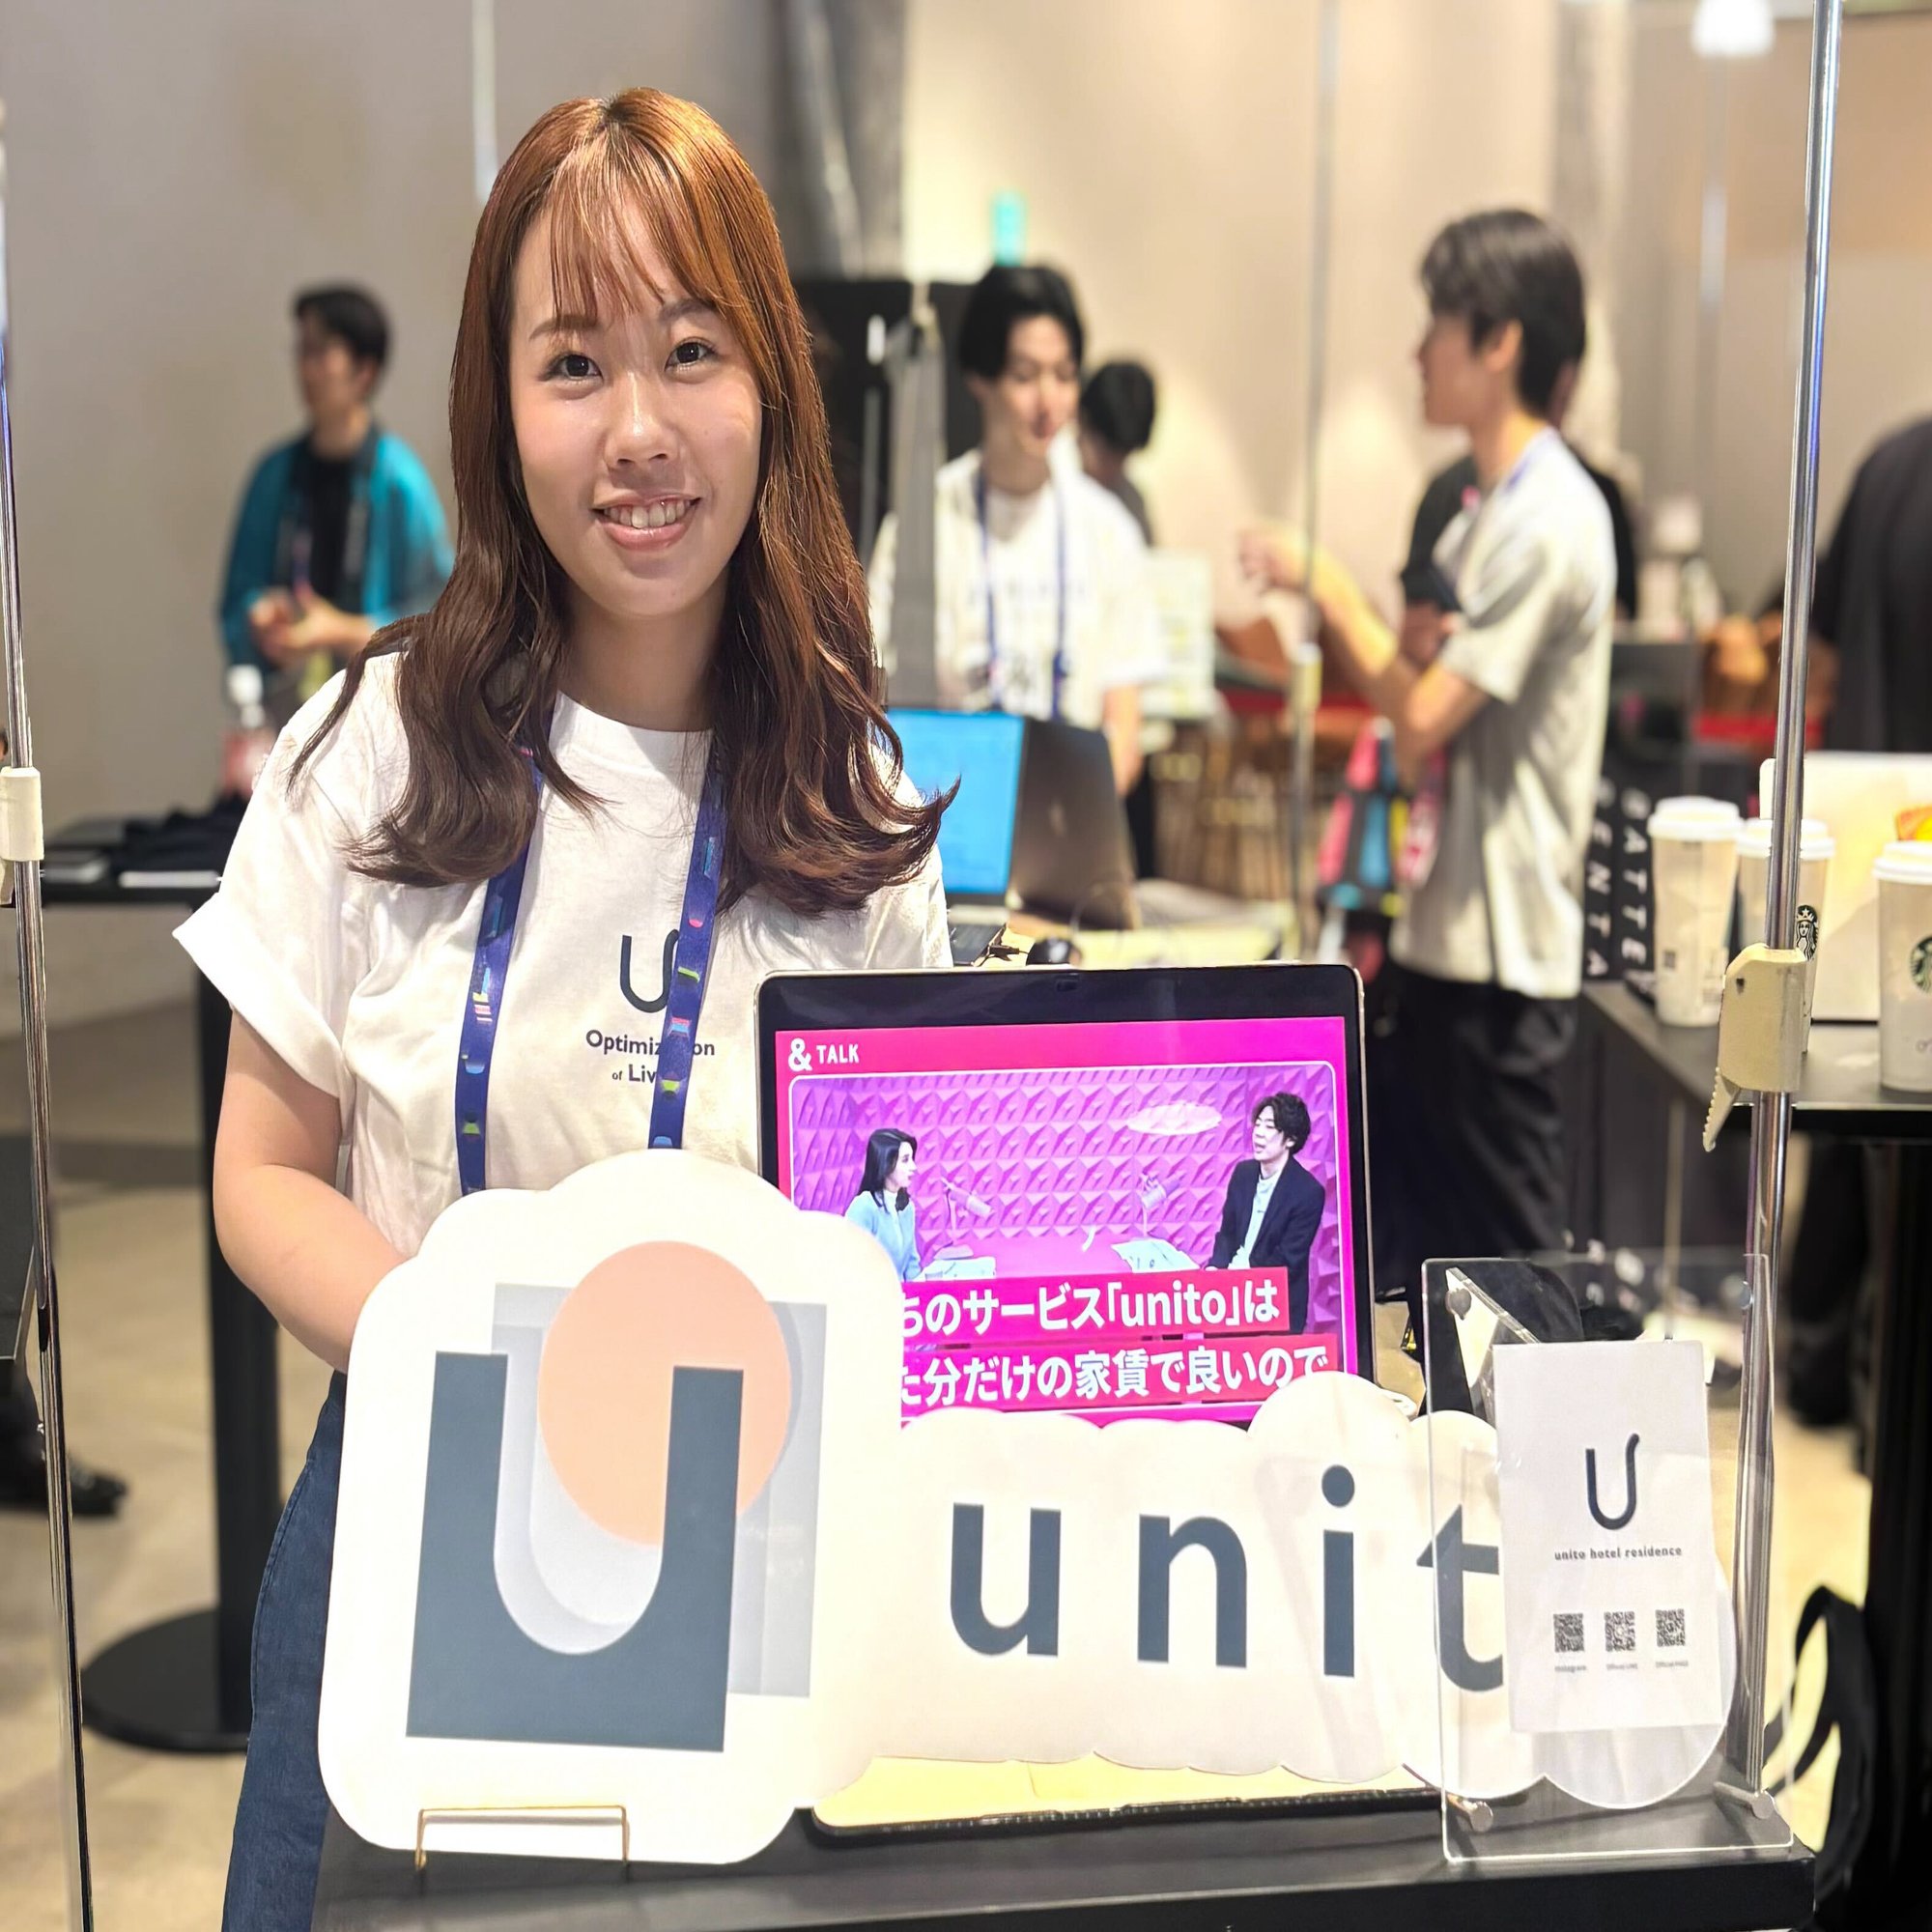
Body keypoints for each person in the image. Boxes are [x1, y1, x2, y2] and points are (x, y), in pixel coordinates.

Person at [176, 90, 949, 1930]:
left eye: (691, 351)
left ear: (770, 386)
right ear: (496, 406)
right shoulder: (372, 750)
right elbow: (261, 1174)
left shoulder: (850, 799)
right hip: (408, 1509)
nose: (639, 431)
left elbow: (891, 1224)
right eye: (574, 364)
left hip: (742, 1543)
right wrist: (500, 1382)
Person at [1242, 210, 1614, 1316]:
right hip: (1437, 944)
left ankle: (1549, 1435)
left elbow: (1419, 719)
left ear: (1498, 341)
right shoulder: (1479, 515)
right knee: (1420, 1274)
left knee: (1519, 1287)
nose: (1416, 352)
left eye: (1437, 326)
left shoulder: (1549, 520)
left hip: (1501, 963)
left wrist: (1327, 586)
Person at [867, 265, 1163, 793]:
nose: (1048, 401)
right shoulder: (925, 525)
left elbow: (1124, 727)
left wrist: (1080, 813)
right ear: (980, 378)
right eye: (1025, 376)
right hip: (949, 811)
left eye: (1064, 375)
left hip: (1073, 813)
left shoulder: (1108, 532)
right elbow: (878, 702)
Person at [219, 285, 455, 723]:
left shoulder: (399, 481)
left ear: (364, 371)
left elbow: (439, 615)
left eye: (320, 352)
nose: (305, 368)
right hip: (284, 716)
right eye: (301, 351)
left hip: (379, 718)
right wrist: (261, 618)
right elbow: (238, 597)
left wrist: (342, 632)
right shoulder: (275, 475)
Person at [1208, 1094, 1325, 1331]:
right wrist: (1215, 1269)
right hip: (1230, 1297)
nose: (1258, 1133)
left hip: (1275, 1305)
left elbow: (1288, 1260)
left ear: (1290, 1139)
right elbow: (1228, 1233)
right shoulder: (1243, 1174)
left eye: (1269, 1127)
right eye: (1258, 1124)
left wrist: (1242, 1276)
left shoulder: (1308, 1192)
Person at [1078, 359, 1157, 544]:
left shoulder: (1131, 502)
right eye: (1105, 454)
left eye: (1123, 457)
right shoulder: (1049, 490)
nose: (1113, 469)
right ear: (1081, 420)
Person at [843, 1128, 923, 1280]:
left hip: (901, 1293)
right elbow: (852, 1264)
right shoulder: (864, 1206)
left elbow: (912, 1264)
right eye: (905, 1160)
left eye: (912, 1159)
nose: (913, 1167)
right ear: (886, 1163)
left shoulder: (907, 1208)